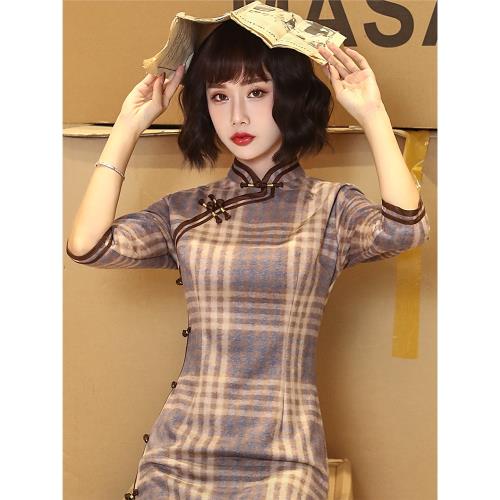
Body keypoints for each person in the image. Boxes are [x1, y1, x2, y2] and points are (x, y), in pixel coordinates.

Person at [66, 19, 430, 500]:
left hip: (285, 455)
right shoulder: (187, 210)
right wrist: (128, 125)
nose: (237, 116)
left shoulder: (330, 208)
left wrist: (373, 114)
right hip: (181, 450)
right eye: (219, 96)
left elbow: (405, 230)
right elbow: (89, 246)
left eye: (256, 92)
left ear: (290, 96)